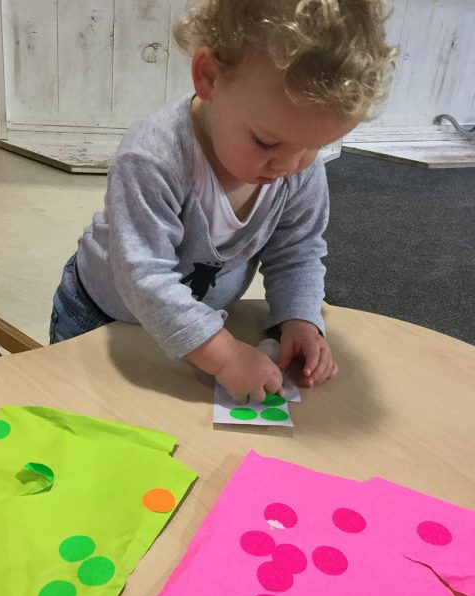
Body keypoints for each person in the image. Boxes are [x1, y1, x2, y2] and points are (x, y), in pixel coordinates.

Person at [49, 0, 396, 401]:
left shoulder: (298, 165)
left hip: (198, 330)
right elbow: (144, 277)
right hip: (102, 319)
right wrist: (226, 356)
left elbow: (298, 250)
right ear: (208, 76)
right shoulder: (153, 157)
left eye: (315, 146)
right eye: (267, 142)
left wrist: (300, 319)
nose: (289, 165)